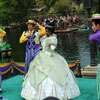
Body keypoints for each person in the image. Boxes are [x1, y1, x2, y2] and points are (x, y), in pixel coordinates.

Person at [21, 24, 80, 100]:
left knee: (53, 72)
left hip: (50, 55)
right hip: (42, 55)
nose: (46, 32)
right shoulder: (44, 37)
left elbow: (53, 47)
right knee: (37, 70)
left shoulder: (53, 38)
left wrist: (50, 52)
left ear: (51, 32)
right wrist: (37, 37)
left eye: (48, 31)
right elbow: (36, 44)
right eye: (46, 31)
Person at [89, 14, 100, 100]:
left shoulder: (98, 35)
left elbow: (91, 37)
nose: (92, 27)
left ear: (98, 25)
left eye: (93, 25)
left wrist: (94, 31)